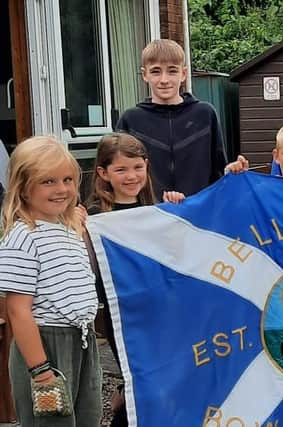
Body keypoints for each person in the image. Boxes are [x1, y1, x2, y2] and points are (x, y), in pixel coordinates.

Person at [0, 136, 101, 426]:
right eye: (48, 182)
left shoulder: (69, 227)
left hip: (83, 339)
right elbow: (18, 310)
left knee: (86, 419)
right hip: (46, 344)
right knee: (51, 422)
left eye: (68, 179)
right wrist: (41, 369)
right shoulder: (22, 237)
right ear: (23, 186)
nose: (62, 189)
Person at [85, 132, 184, 427]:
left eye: (137, 168)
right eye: (121, 169)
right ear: (103, 173)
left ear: (147, 166)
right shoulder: (93, 215)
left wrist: (180, 212)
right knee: (143, 380)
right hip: (123, 316)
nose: (131, 176)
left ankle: (124, 399)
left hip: (161, 309)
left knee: (163, 380)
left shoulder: (156, 208)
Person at [116, 39, 227, 199]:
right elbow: (117, 174)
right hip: (150, 215)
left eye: (172, 71)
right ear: (144, 74)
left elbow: (219, 170)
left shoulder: (205, 114)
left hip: (197, 214)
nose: (164, 80)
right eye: (155, 71)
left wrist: (234, 172)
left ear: (183, 74)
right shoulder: (131, 119)